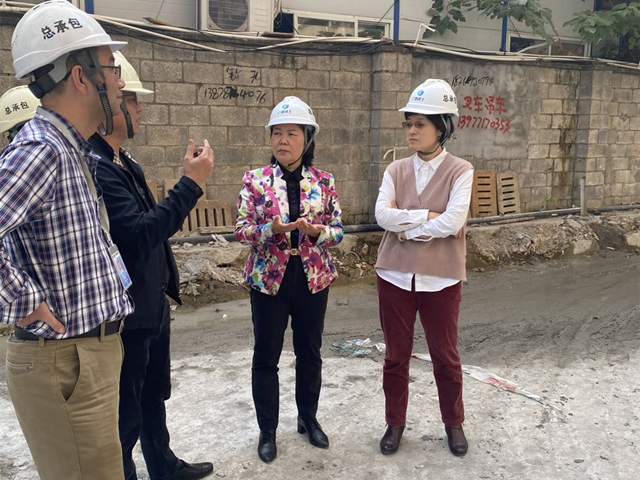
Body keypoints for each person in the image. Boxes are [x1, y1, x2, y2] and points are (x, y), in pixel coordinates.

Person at [0, 2, 135, 479]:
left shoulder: (69, 148)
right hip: (65, 361)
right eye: (112, 67)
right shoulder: (42, 150)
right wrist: (22, 300)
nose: (119, 81)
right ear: (81, 77)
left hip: (82, 358)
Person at [89, 51, 215, 480]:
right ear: (107, 104)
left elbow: (152, 230)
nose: (140, 107)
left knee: (152, 396)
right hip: (128, 314)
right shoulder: (99, 169)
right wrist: (191, 183)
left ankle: (163, 466)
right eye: (132, 99)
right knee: (126, 415)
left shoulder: (125, 162)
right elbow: (141, 232)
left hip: (151, 304)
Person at [234, 96, 344, 463]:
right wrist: (271, 230)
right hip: (269, 279)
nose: (282, 140)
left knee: (309, 352)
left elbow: (338, 230)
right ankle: (267, 429)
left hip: (312, 277)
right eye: (276, 133)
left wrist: (317, 232)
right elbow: (242, 230)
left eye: (291, 133)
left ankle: (308, 418)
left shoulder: (324, 181)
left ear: (307, 138)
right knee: (266, 355)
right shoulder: (255, 180)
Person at [374, 79, 474, 457]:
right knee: (395, 356)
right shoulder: (396, 169)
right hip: (394, 275)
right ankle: (394, 423)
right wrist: (427, 217)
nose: (412, 131)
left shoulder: (461, 170)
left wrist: (407, 228)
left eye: (420, 124)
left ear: (442, 127)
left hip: (441, 278)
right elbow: (382, 215)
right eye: (409, 123)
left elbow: (454, 221)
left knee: (445, 357)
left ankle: (454, 423)